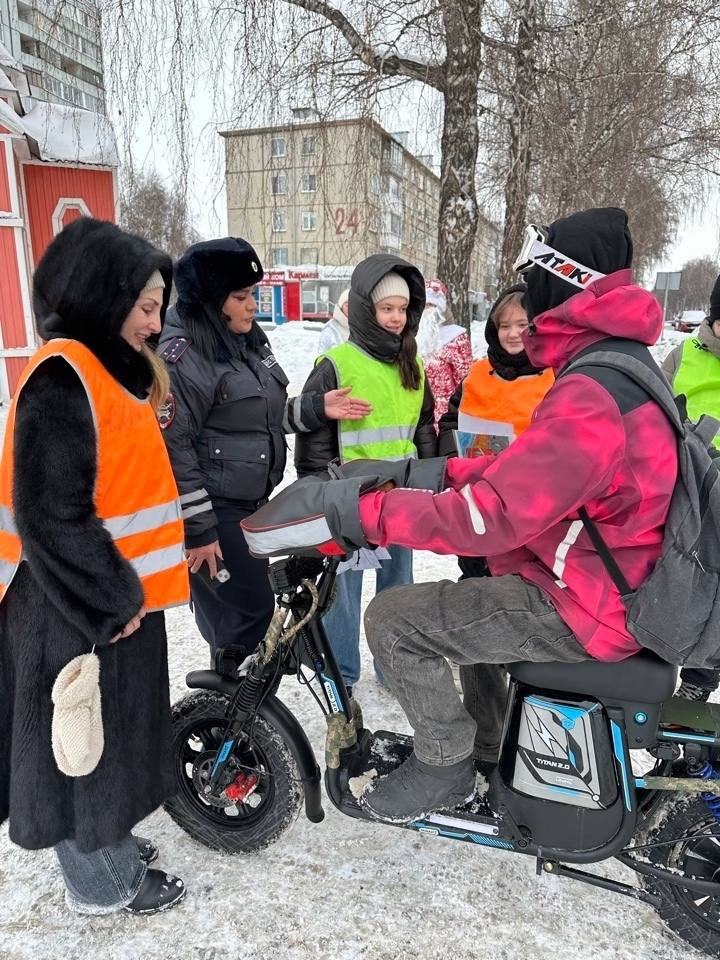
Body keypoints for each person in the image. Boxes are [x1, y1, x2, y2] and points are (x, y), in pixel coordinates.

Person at [303, 207, 677, 822]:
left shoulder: (591, 390)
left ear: (565, 283)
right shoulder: (618, 366)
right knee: (472, 595)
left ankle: (446, 763)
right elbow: (525, 471)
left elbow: (494, 515)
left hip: (585, 604)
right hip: (607, 582)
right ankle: (486, 747)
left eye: (536, 281)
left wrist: (371, 514)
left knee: (394, 618)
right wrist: (432, 473)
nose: (529, 298)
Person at [0, 217, 189, 914]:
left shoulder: (110, 373)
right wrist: (112, 599)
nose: (155, 322)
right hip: (72, 604)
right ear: (100, 297)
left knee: (105, 740)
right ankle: (101, 884)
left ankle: (107, 846)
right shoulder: (63, 377)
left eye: (159, 307)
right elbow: (52, 515)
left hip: (110, 600)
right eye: (145, 307)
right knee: (79, 745)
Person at [159, 238, 370, 665]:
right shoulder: (184, 358)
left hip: (249, 504)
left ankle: (245, 719)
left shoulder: (247, 343)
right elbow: (173, 447)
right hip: (214, 514)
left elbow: (259, 417)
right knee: (245, 619)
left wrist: (316, 408)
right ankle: (227, 725)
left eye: (253, 293)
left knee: (250, 620)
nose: (253, 304)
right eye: (241, 296)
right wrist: (199, 531)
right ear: (211, 300)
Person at [295, 254, 438, 692]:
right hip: (351, 502)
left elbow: (424, 428)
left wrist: (432, 480)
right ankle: (340, 672)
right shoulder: (337, 364)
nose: (396, 318)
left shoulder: (412, 365)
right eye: (386, 308)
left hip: (402, 499)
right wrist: (319, 493)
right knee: (343, 592)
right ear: (363, 309)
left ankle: (392, 666)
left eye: (402, 309)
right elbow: (315, 437)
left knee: (398, 591)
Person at [437, 282, 554, 772]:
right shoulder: (477, 374)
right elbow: (447, 423)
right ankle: (487, 741)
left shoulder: (558, 376)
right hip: (479, 520)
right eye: (504, 324)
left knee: (532, 635)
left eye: (522, 325)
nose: (511, 333)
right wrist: (455, 451)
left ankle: (539, 745)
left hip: (535, 531)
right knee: (473, 630)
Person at [660, 272, 720, 701]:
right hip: (686, 482)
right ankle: (657, 658)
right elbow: (654, 407)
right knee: (680, 576)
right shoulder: (684, 355)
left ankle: (698, 682)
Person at [416, 280, 473, 425]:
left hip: (442, 415)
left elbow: (465, 378)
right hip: (413, 412)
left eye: (431, 305)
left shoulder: (455, 337)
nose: (426, 310)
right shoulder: (410, 337)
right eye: (424, 306)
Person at [318, 287, 350, 352]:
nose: (351, 308)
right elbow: (322, 357)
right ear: (341, 306)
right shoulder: (330, 330)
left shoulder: (361, 327)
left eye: (354, 305)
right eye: (347, 305)